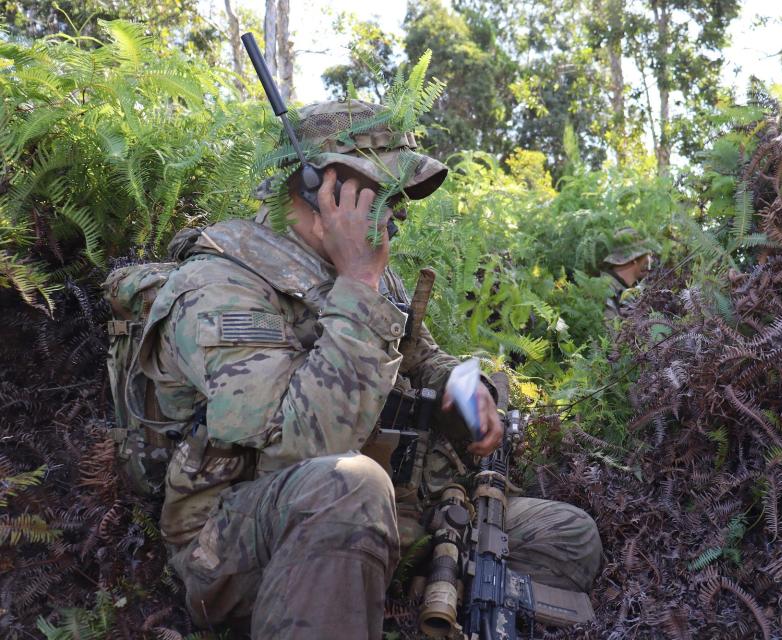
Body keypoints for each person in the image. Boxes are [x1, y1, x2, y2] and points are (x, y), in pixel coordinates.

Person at [134, 100, 602, 639]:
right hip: (242, 541)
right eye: (385, 192)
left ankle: (395, 611)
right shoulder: (220, 287)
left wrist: (463, 387)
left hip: (383, 515)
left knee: (568, 536)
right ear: (322, 187)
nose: (397, 211)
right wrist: (358, 282)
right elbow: (302, 449)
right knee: (349, 486)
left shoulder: (359, 268)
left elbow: (421, 356)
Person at [602, 227, 655, 323]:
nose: (651, 260)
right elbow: (611, 334)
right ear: (634, 259)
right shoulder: (604, 290)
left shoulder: (631, 287)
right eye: (648, 255)